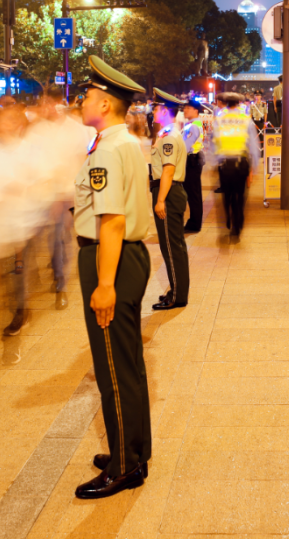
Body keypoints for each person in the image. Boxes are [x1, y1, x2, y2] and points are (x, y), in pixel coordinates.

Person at [73, 56, 152, 499]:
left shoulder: (106, 148)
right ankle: (134, 447)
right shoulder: (124, 143)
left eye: (87, 95)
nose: (82, 100)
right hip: (127, 257)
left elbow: (112, 220)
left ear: (104, 103)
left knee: (113, 368)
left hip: (110, 258)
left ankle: (124, 465)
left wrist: (104, 284)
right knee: (129, 361)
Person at [150, 89, 190, 310]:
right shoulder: (168, 134)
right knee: (173, 246)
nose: (154, 111)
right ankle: (176, 290)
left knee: (171, 247)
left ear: (165, 110)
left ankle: (177, 296)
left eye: (157, 108)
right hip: (170, 191)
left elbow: (168, 170)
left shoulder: (170, 137)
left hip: (168, 192)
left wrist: (160, 200)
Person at [213, 92, 260, 239]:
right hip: (241, 163)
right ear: (239, 103)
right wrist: (255, 166)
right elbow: (253, 144)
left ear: (226, 103)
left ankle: (229, 217)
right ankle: (237, 224)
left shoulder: (220, 119)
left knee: (227, 195)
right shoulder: (245, 119)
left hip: (225, 164)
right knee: (240, 196)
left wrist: (212, 164)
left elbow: (214, 141)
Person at [181, 98, 206, 232]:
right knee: (193, 192)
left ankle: (195, 224)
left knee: (193, 193)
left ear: (196, 110)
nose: (185, 110)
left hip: (192, 161)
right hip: (193, 160)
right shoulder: (190, 124)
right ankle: (194, 222)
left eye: (188, 108)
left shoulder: (194, 125)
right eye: (184, 108)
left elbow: (185, 146)